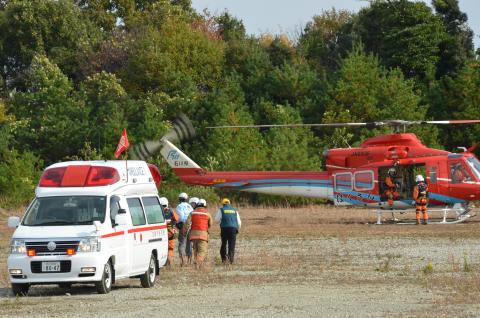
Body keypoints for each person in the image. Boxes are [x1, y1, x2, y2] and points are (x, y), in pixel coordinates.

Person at [184, 198, 211, 269]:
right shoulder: (207, 213)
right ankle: (198, 263)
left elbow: (187, 223)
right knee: (202, 251)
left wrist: (186, 230)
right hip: (203, 235)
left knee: (195, 250)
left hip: (193, 235)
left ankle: (197, 266)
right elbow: (210, 224)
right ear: (204, 205)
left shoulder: (192, 212)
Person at [215, 198, 241, 264]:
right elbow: (239, 222)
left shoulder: (221, 210)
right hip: (233, 229)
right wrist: (237, 229)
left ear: (223, 204)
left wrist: (221, 221)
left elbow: (216, 220)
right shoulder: (235, 210)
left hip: (224, 229)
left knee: (224, 244)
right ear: (229, 203)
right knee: (231, 245)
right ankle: (230, 260)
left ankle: (223, 259)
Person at [160, 197, 179, 267]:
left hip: (160, 233)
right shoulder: (171, 211)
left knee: (162, 248)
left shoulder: (157, 211)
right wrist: (173, 224)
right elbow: (177, 218)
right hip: (170, 233)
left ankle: (163, 263)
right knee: (170, 248)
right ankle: (170, 264)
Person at [176, 192, 193, 266]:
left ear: (179, 199)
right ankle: (189, 261)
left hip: (184, 225)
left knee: (182, 243)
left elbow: (182, 217)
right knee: (189, 243)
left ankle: (182, 261)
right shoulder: (189, 206)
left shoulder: (179, 206)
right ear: (186, 199)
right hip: (191, 225)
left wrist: (178, 223)